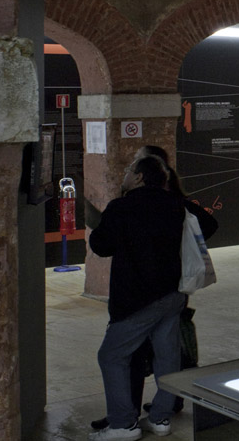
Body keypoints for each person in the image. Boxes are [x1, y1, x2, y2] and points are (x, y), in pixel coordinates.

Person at [89, 150, 218, 433]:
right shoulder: (176, 205)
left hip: (136, 299)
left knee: (111, 355)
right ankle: (161, 417)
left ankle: (123, 424)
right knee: (167, 355)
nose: (124, 175)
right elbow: (209, 223)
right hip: (173, 294)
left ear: (138, 177)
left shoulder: (121, 207)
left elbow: (100, 245)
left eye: (128, 171)